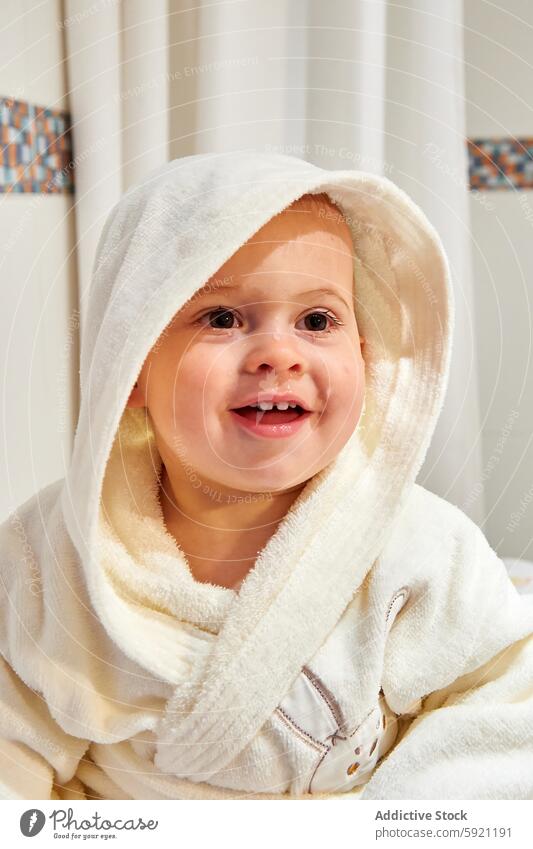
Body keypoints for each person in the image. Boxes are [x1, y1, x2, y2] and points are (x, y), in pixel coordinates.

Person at [0, 152, 532, 800]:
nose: (279, 354)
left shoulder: (419, 546)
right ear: (131, 363)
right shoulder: (53, 554)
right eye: (222, 317)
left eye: (317, 320)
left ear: (363, 354)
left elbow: (504, 704)